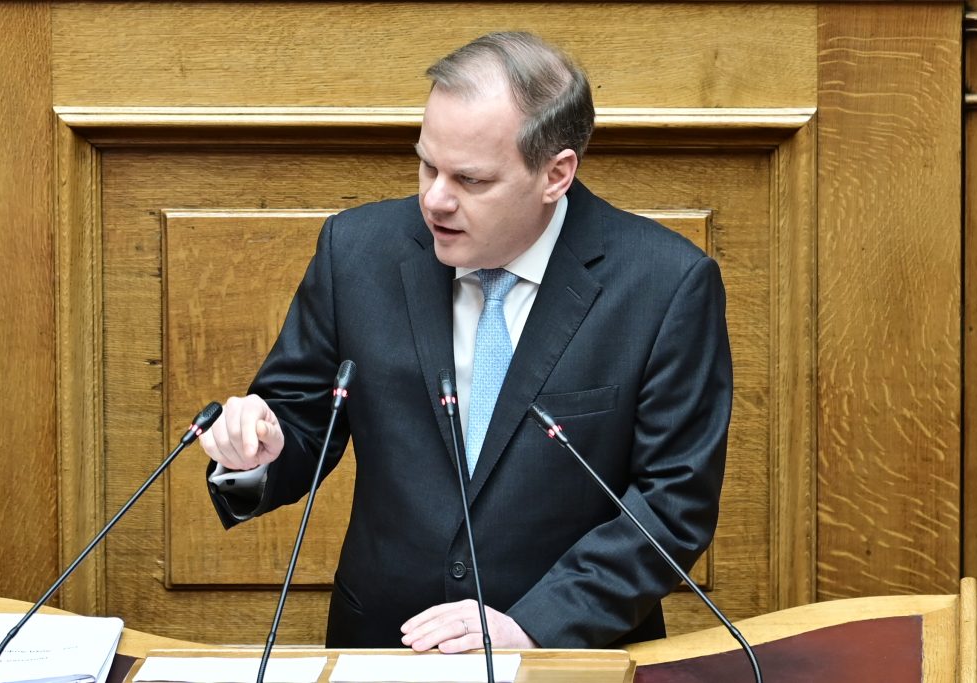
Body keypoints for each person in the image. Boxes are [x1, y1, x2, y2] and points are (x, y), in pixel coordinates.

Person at [201, 31, 732, 652]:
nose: (435, 199)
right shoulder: (357, 251)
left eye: (470, 179)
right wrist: (254, 454)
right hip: (385, 644)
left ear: (556, 174)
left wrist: (535, 626)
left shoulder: (664, 284)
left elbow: (674, 502)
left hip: (565, 655)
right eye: (428, 165)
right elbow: (298, 419)